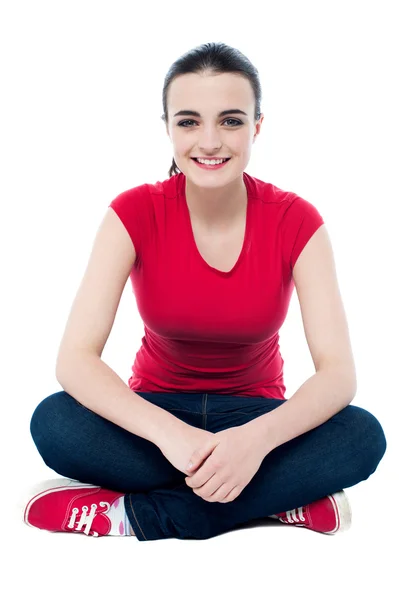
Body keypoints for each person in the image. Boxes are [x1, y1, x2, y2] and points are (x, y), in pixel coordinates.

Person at [23, 42, 387, 542]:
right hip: (157, 414)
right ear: (168, 128)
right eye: (189, 121)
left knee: (361, 436)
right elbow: (76, 361)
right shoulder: (133, 212)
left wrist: (253, 444)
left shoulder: (296, 220)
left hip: (257, 418)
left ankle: (140, 516)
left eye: (232, 121)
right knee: (54, 421)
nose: (210, 141)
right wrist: (172, 435)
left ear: (257, 126)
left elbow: (338, 373)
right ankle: (275, 500)